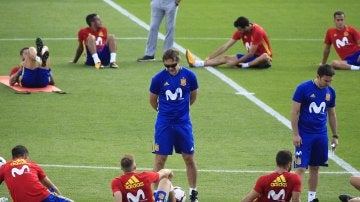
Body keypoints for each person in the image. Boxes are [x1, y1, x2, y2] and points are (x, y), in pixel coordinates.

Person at [149, 49, 199, 202]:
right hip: (164, 124)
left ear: (179, 61)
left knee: (189, 158)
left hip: (183, 124)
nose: (170, 68)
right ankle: (156, 195)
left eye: (173, 65)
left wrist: (182, 111)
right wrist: (164, 113)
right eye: (167, 66)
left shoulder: (190, 76)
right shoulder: (158, 79)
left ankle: (193, 193)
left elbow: (193, 95)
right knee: (160, 159)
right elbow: (152, 100)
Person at [291, 64, 339, 202]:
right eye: (326, 80)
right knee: (300, 167)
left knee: (315, 167)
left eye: (330, 81)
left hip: (321, 135)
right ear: (318, 76)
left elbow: (332, 114)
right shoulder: (303, 88)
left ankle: (311, 198)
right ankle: (296, 199)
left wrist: (335, 135)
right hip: (304, 135)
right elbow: (294, 112)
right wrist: (295, 134)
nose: (328, 83)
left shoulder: (331, 92)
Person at [185, 16, 272, 69]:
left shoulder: (257, 32)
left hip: (261, 58)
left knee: (265, 57)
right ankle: (196, 63)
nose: (238, 31)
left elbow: (251, 54)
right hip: (252, 57)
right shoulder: (241, 31)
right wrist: (210, 57)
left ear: (245, 27)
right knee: (225, 58)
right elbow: (226, 46)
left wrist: (235, 62)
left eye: (240, 29)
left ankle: (245, 65)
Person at [0, 145, 73, 202]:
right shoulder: (32, 165)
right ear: (25, 155)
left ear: (13, 157)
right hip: (43, 198)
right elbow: (52, 187)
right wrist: (59, 198)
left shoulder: (5, 167)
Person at [111, 154, 175, 202]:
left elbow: (118, 199)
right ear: (134, 166)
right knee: (165, 181)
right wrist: (170, 172)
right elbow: (163, 172)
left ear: (121, 168)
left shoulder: (116, 182)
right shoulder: (146, 176)